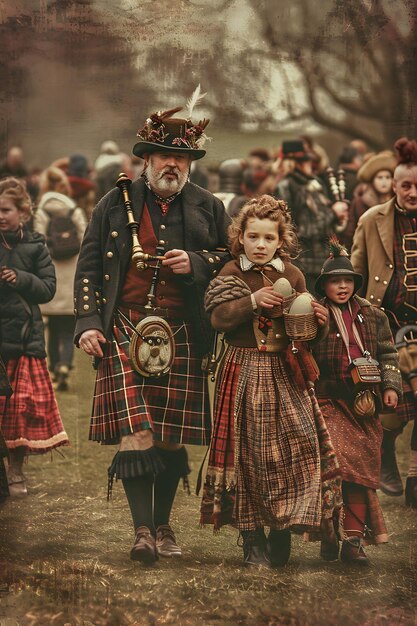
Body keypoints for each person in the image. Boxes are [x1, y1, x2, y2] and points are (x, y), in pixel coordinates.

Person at [74, 102, 231, 564]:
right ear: (146, 160)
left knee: (168, 436)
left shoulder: (209, 206)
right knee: (135, 433)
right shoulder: (113, 203)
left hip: (182, 332)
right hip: (124, 328)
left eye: (180, 159)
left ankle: (164, 525)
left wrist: (197, 264)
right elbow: (88, 264)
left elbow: (231, 261)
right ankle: (142, 530)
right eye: (163, 156)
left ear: (189, 164)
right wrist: (86, 323)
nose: (171, 165)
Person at [200, 194, 342, 568]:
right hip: (244, 366)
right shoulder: (231, 272)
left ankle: (282, 529)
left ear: (281, 241)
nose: (260, 245)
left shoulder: (292, 274)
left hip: (285, 370)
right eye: (253, 237)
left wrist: (318, 324)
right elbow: (217, 318)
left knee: (296, 444)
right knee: (248, 456)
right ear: (240, 238)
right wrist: (250, 301)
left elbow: (302, 333)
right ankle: (252, 539)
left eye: (268, 238)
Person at [313, 239, 402, 564]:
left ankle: (352, 541)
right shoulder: (316, 314)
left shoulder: (373, 315)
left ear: (355, 283)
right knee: (336, 464)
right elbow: (304, 353)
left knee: (362, 470)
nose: (342, 286)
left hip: (365, 405)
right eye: (335, 281)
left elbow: (389, 354)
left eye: (347, 280)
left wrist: (391, 386)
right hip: (328, 402)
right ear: (325, 284)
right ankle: (327, 533)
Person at [351, 137, 417, 507]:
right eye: (405, 184)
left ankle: (415, 479)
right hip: (388, 329)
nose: (412, 192)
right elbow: (355, 275)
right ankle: (386, 458)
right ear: (392, 184)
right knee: (392, 413)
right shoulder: (371, 219)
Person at [0, 177, 69, 496]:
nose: (1, 216)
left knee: (18, 412)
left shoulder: (36, 246)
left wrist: (21, 278)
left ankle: (16, 471)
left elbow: (47, 289)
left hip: (24, 341)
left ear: (23, 213)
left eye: (6, 210)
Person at [275, 140, 348, 294]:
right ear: (293, 163)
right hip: (303, 264)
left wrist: (338, 218)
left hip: (325, 261)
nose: (310, 164)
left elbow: (325, 225)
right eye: (305, 160)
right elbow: (295, 230)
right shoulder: (285, 186)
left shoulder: (316, 182)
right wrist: (333, 213)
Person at [34, 190, 87, 390]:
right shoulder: (75, 212)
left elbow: (39, 242)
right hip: (72, 276)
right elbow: (85, 239)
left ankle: (55, 368)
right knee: (68, 329)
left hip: (52, 275)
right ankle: (65, 364)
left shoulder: (41, 213)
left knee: (53, 330)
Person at [342, 151, 396, 250]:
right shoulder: (359, 203)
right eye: (380, 178)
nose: (384, 181)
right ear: (372, 180)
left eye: (388, 177)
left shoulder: (398, 202)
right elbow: (351, 232)